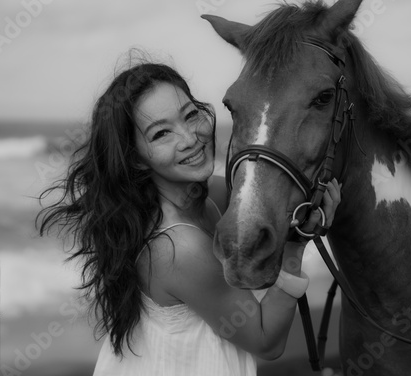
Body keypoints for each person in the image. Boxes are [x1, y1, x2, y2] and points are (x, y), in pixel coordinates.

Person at [37, 59, 341, 376]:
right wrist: (295, 243)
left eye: (190, 115)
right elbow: (266, 341)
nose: (190, 138)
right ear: (137, 159)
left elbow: (264, 198)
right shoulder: (179, 248)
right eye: (162, 133)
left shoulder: (204, 195)